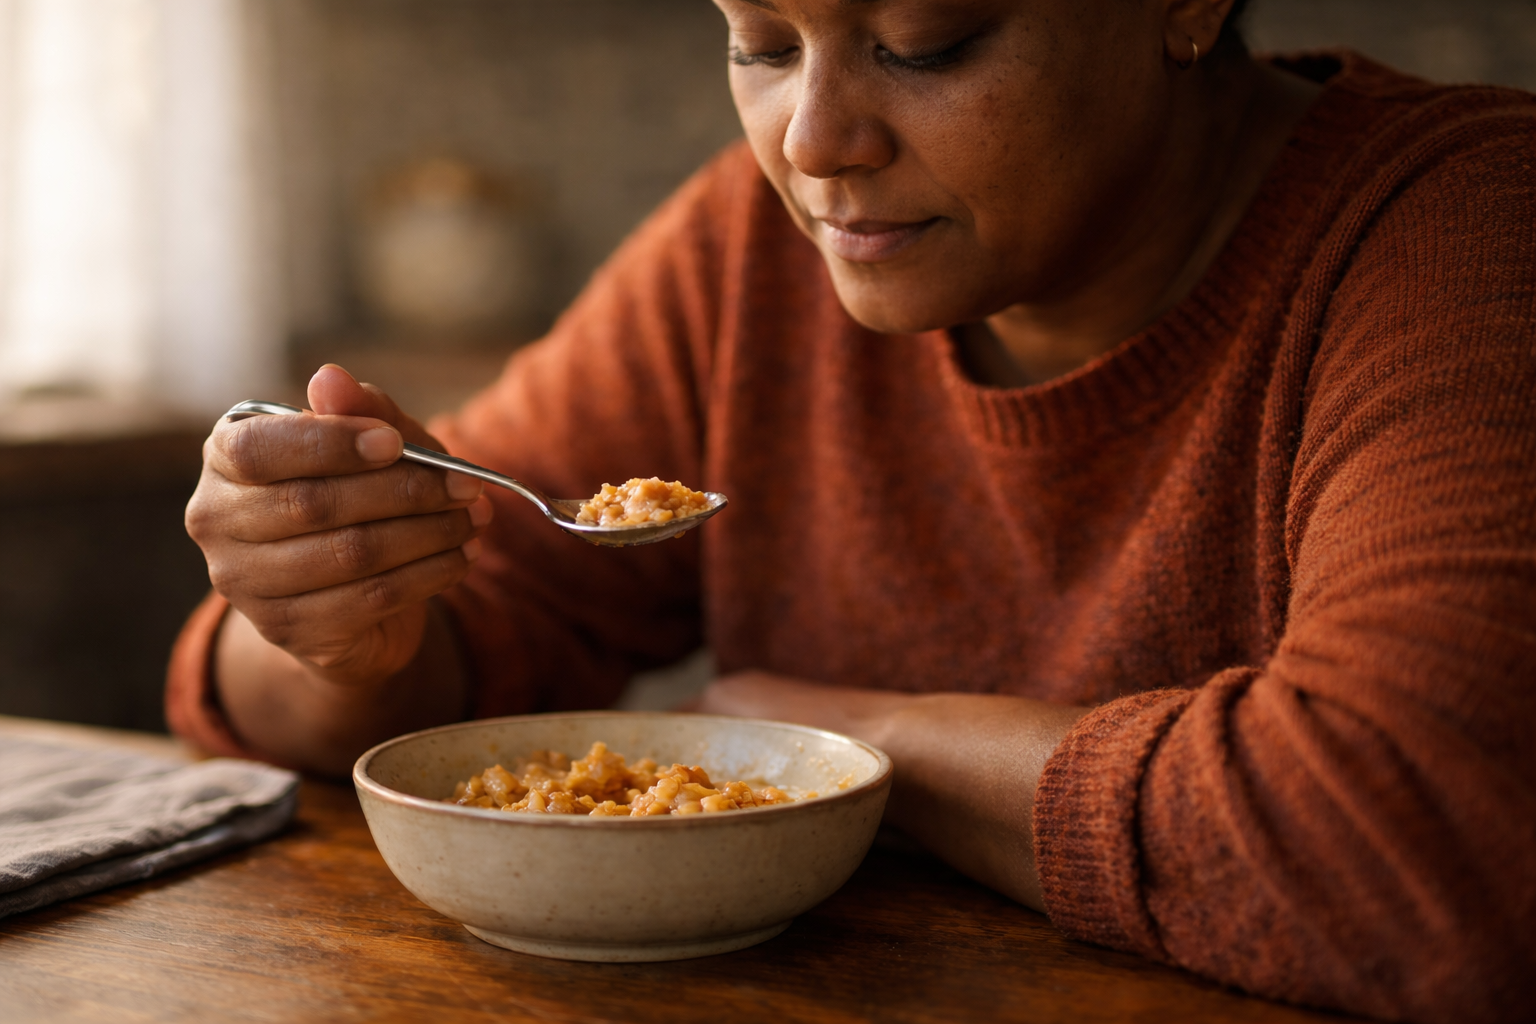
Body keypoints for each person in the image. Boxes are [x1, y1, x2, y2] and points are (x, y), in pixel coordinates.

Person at [169, 1, 1536, 1021]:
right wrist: (326, 605)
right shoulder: (752, 254)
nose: (816, 143)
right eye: (762, 42)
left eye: (926, 42)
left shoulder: (1463, 230)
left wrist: (839, 742)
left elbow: (1418, 842)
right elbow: (360, 687)